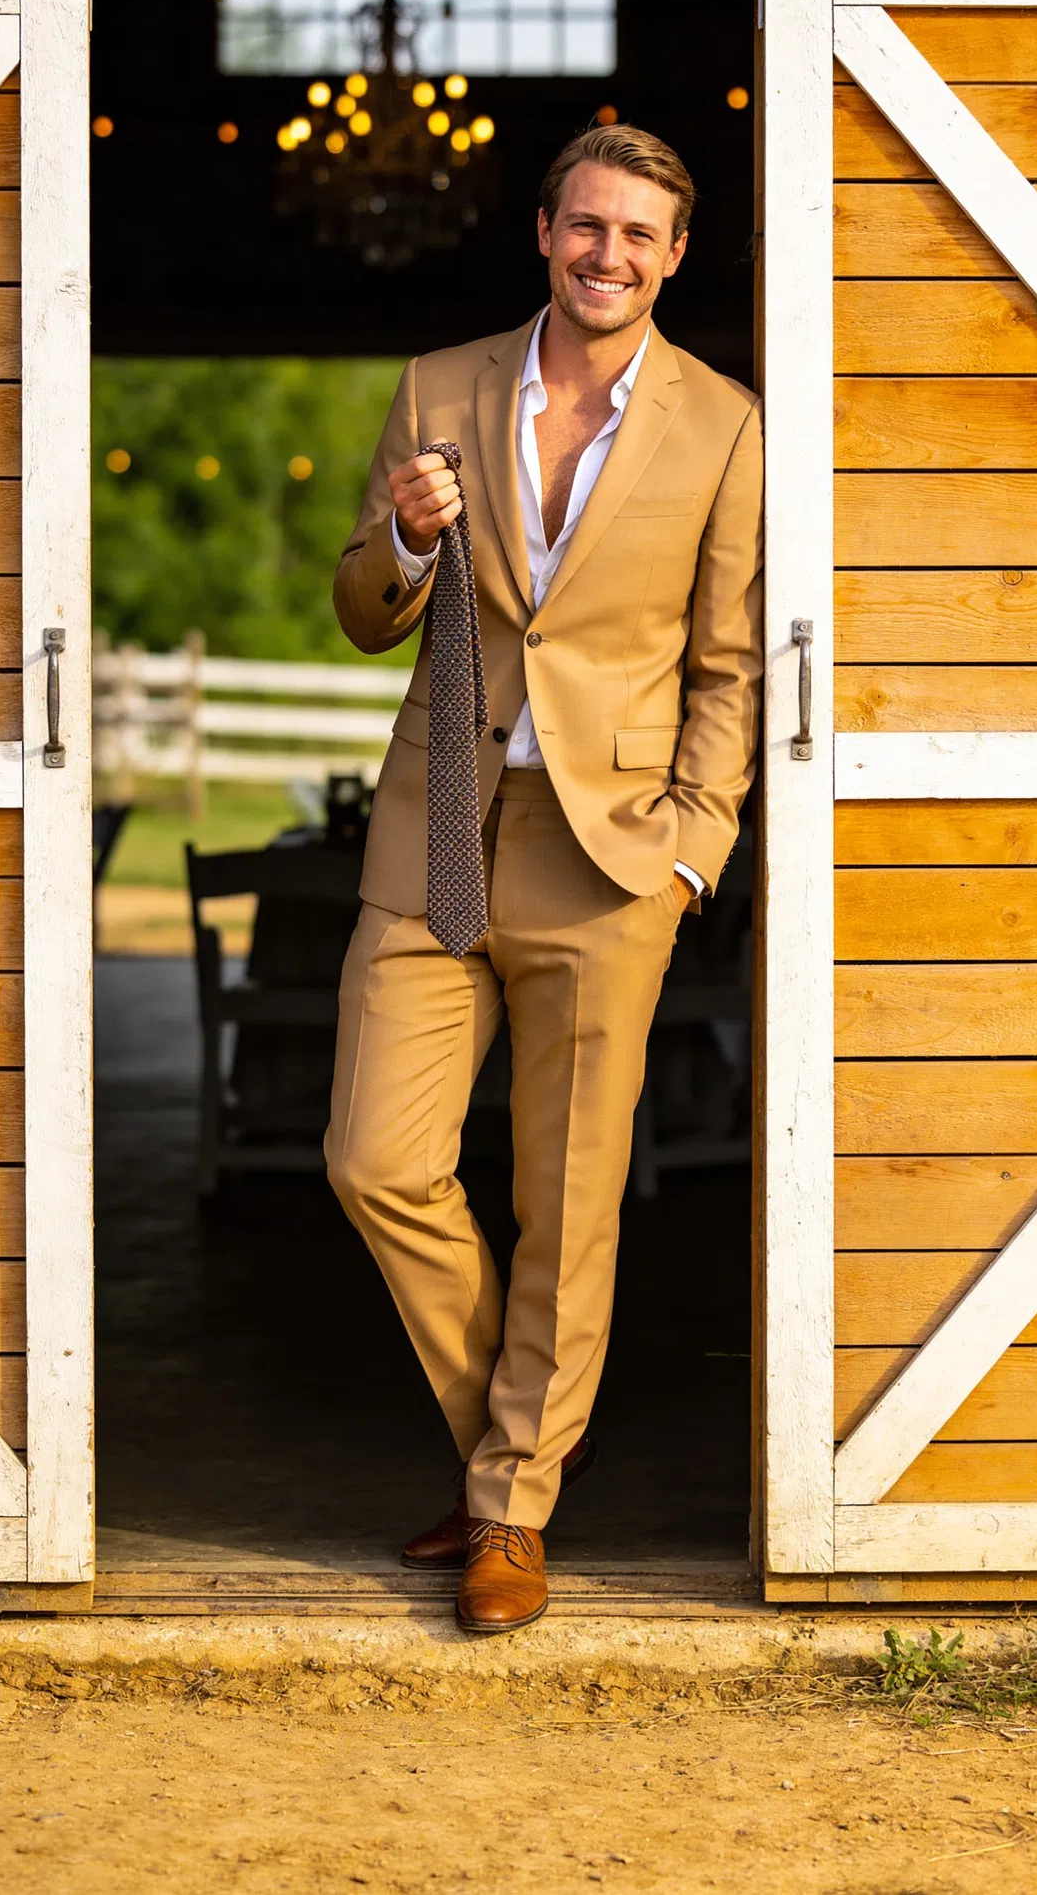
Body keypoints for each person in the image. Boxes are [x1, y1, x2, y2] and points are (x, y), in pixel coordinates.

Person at [325, 122, 764, 1633]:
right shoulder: (440, 386)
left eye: (640, 235)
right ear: (543, 231)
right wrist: (399, 534)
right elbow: (364, 609)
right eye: (588, 226)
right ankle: (506, 1452)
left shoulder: (723, 424)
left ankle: (511, 1509)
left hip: (612, 849)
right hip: (438, 824)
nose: (609, 255)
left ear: (675, 255)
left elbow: (728, 664)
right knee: (376, 1161)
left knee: (570, 1204)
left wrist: (695, 847)